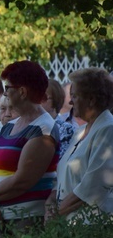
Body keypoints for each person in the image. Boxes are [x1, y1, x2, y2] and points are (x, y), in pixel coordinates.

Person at [0, 61, 60, 229]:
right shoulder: (9, 126)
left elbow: (23, 180)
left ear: (22, 91)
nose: (4, 95)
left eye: (8, 89)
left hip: (23, 220)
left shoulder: (43, 129)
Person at [45, 68, 113, 223]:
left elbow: (93, 185)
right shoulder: (80, 132)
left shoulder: (108, 129)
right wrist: (50, 203)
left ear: (91, 99)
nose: (70, 101)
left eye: (74, 96)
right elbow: (63, 175)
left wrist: (56, 214)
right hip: (70, 223)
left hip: (92, 226)